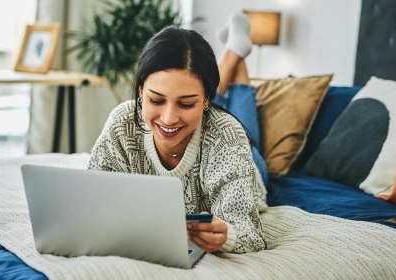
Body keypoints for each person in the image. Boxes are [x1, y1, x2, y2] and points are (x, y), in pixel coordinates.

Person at [88, 12, 267, 253]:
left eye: (186, 103)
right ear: (140, 90)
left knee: (241, 129)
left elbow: (251, 235)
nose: (168, 118)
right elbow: (91, 200)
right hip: (205, 124)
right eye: (156, 100)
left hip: (248, 166)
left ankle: (235, 50)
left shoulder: (228, 136)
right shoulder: (122, 122)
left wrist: (227, 237)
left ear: (206, 101)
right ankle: (236, 48)